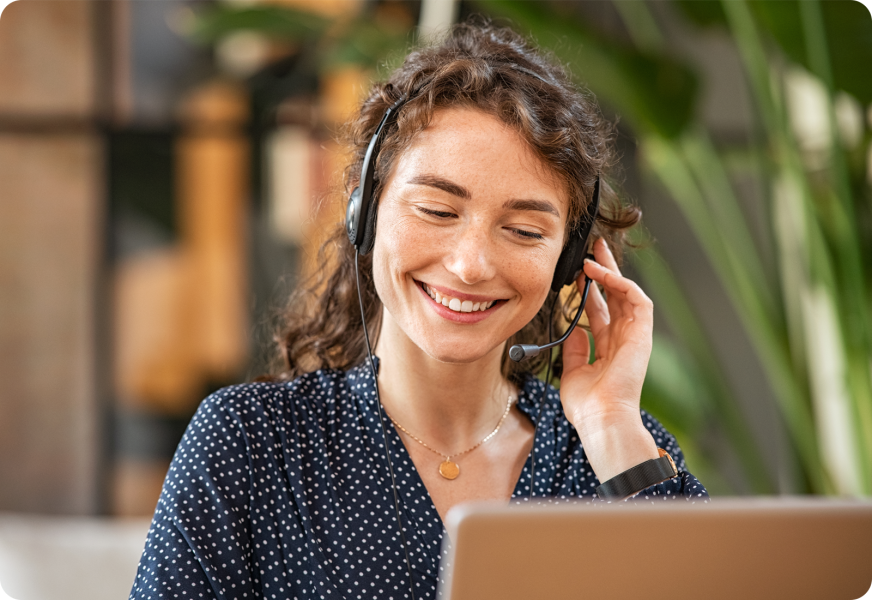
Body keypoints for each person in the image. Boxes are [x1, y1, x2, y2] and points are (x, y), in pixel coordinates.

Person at [130, 19, 707, 600]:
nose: (471, 264)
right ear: (367, 213)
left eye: (524, 230)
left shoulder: (617, 453)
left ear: (567, 260)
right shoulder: (251, 443)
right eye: (437, 210)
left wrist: (613, 431)